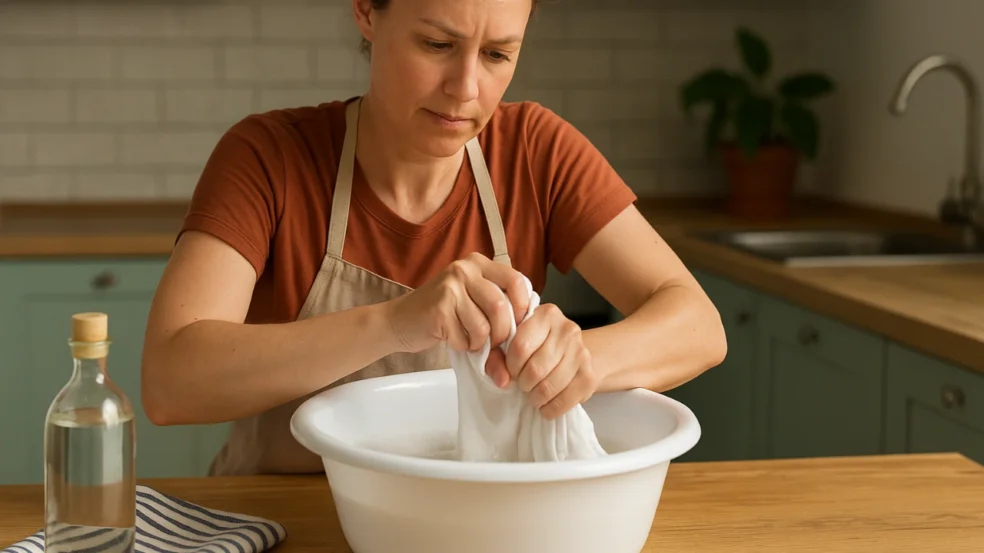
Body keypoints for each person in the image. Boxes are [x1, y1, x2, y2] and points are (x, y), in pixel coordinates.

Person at [140, 0, 727, 476]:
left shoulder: (536, 153)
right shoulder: (268, 158)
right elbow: (171, 382)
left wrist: (576, 360)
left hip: (471, 524)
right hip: (282, 520)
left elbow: (699, 326)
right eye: (438, 46)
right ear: (367, 11)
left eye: (497, 54)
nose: (466, 88)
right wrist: (398, 321)